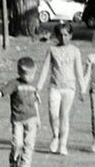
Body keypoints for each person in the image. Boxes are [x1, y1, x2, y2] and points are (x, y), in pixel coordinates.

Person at [0, 56, 41, 167]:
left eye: (33, 74)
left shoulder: (33, 86)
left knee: (29, 144)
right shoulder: (14, 84)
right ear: (20, 73)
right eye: (29, 75)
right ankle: (14, 157)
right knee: (18, 143)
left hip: (31, 118)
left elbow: (35, 102)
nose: (32, 77)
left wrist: (38, 117)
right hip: (18, 120)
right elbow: (2, 92)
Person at [35, 22, 84, 155]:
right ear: (56, 36)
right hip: (55, 87)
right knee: (53, 113)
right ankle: (55, 136)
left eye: (66, 35)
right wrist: (38, 87)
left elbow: (79, 71)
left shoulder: (75, 51)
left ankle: (63, 143)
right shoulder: (52, 50)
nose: (63, 38)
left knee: (64, 115)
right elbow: (45, 69)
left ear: (71, 35)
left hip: (69, 88)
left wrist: (83, 88)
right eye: (60, 35)